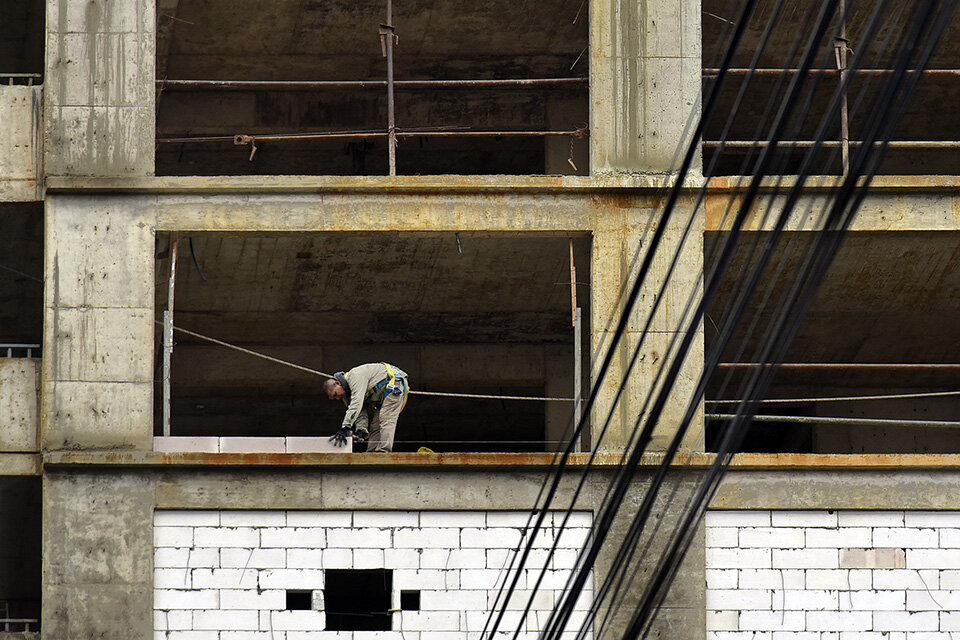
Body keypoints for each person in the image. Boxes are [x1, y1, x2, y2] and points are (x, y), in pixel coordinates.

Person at [324, 362, 409, 452]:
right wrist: (361, 430)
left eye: (335, 394)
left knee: (385, 419)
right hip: (383, 393)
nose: (337, 398)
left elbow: (356, 404)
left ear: (337, 383)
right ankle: (372, 453)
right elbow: (359, 412)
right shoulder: (346, 395)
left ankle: (384, 451)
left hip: (394, 384)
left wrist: (345, 427)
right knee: (375, 425)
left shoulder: (355, 376)